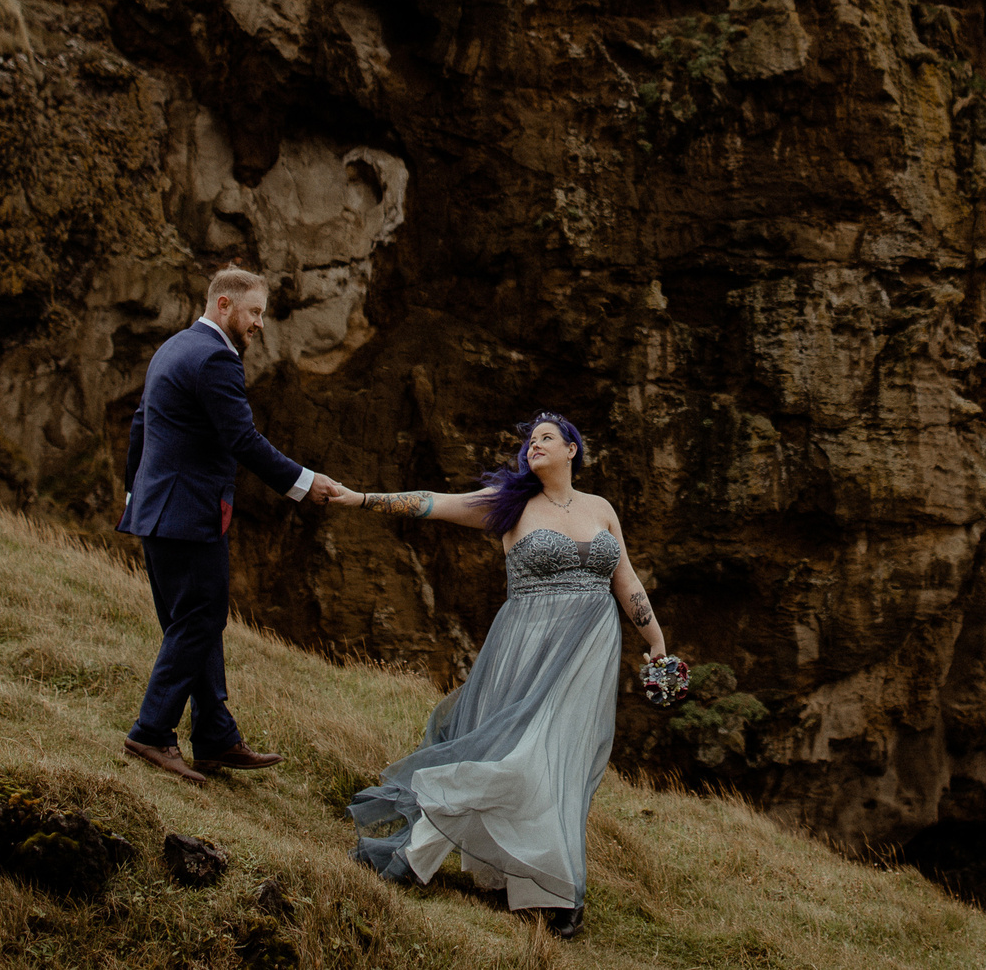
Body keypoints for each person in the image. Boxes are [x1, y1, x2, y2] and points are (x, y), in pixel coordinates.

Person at [320, 413, 667, 941]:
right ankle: (419, 855)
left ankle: (546, 890)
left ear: (573, 449)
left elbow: (627, 579)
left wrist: (657, 642)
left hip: (588, 655)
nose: (535, 445)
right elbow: (430, 501)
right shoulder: (508, 505)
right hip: (527, 648)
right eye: (530, 440)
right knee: (513, 756)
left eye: (547, 438)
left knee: (559, 764)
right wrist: (361, 498)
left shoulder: (601, 510)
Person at [118, 266, 322, 785]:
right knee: (200, 621)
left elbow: (142, 423)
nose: (259, 324)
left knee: (191, 622)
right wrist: (304, 482)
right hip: (190, 516)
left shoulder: (174, 347)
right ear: (225, 305)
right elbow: (244, 440)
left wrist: (133, 493)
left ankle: (215, 737)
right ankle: (151, 732)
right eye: (254, 313)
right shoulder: (215, 358)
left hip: (156, 512)